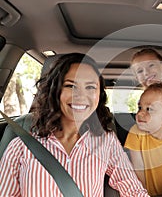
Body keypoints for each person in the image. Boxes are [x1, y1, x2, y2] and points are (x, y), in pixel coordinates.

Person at [0, 53, 149, 197]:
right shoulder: (21, 146)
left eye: (90, 87)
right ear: (55, 91)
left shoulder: (106, 142)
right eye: (70, 86)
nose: (81, 96)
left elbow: (133, 190)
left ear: (99, 95)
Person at [124, 82, 162, 197]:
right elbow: (138, 167)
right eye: (140, 107)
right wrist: (142, 193)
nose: (140, 113)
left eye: (149, 109)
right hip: (142, 192)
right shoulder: (136, 132)